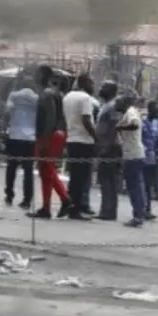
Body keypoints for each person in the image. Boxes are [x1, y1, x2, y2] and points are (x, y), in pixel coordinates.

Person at [30, 65, 74, 219]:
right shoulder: (50, 93)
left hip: (49, 136)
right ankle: (46, 207)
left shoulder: (47, 94)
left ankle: (65, 199)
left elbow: (50, 117)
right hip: (53, 135)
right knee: (45, 172)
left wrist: (45, 140)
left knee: (47, 169)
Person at [63, 73, 98, 215]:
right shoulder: (86, 98)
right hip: (84, 141)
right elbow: (86, 120)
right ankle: (75, 209)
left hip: (72, 139)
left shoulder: (67, 97)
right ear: (85, 83)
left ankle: (69, 204)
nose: (93, 86)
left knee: (74, 177)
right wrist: (97, 138)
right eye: (92, 83)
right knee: (82, 178)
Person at [115, 94, 151, 227]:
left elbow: (134, 125)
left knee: (134, 187)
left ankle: (138, 216)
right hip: (134, 153)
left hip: (132, 155)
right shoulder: (130, 112)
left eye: (118, 101)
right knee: (137, 186)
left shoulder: (130, 112)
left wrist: (120, 128)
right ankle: (140, 213)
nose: (116, 103)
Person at [4, 77, 39, 208]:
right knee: (28, 170)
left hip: (14, 134)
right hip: (30, 138)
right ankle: (27, 199)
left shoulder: (14, 96)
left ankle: (9, 195)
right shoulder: (37, 98)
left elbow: (7, 111)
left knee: (11, 167)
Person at [93, 81, 121, 221]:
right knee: (105, 179)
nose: (101, 89)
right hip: (107, 146)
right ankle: (107, 209)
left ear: (111, 90)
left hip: (110, 147)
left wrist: (106, 146)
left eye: (104, 87)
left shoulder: (113, 107)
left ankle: (108, 211)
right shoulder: (107, 105)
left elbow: (114, 128)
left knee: (108, 179)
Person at [141, 101, 158, 218]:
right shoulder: (142, 122)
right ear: (150, 110)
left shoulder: (155, 123)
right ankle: (142, 209)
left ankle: (147, 209)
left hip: (153, 158)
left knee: (149, 185)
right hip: (143, 157)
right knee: (143, 184)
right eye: (156, 109)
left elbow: (156, 141)